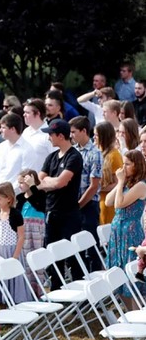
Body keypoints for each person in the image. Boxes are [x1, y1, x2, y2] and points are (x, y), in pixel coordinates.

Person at [38, 119, 84, 291]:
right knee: (52, 253)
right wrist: (50, 181)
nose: (49, 137)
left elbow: (61, 183)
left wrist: (49, 182)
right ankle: (56, 289)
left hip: (69, 214)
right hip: (52, 212)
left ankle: (80, 290)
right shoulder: (51, 157)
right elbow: (40, 179)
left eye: (51, 134)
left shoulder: (74, 156)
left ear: (60, 136)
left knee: (71, 254)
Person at [106, 150, 146, 308]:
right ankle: (128, 311)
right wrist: (120, 182)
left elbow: (119, 204)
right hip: (118, 232)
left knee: (132, 275)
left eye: (127, 164)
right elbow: (109, 201)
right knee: (118, 271)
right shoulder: (126, 182)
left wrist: (121, 182)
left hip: (130, 232)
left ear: (137, 165)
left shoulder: (141, 185)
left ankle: (137, 312)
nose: (123, 167)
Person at [69, 116, 103, 271]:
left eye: (74, 132)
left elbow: (94, 186)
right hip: (75, 204)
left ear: (84, 131)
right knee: (77, 246)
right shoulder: (74, 151)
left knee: (91, 246)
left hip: (89, 205)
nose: (72, 135)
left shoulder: (95, 153)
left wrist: (79, 205)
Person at [15, 170, 47, 291]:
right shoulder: (19, 198)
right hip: (24, 232)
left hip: (36, 231)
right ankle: (27, 289)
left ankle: (39, 288)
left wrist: (33, 186)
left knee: (37, 258)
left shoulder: (40, 194)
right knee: (25, 259)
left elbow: (39, 205)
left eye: (22, 183)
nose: (19, 185)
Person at [0, 113, 38, 191]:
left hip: (18, 196)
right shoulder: (0, 147)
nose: (0, 130)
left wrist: (8, 192)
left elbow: (26, 176)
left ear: (12, 129)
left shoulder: (27, 149)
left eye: (3, 128)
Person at [95, 121, 122, 224]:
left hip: (108, 203)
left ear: (104, 136)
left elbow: (119, 182)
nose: (94, 137)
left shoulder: (114, 155)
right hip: (98, 201)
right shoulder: (98, 152)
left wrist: (97, 187)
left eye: (97, 135)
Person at [22, 98, 55, 173]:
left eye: (27, 112)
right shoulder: (25, 132)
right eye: (24, 112)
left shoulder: (49, 135)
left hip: (41, 182)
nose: (24, 115)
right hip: (23, 181)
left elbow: (55, 161)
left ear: (37, 114)